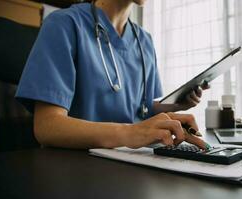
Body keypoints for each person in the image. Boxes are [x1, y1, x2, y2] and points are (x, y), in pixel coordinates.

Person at [15, 0, 209, 150]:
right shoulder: (64, 24)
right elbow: (47, 127)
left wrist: (174, 105)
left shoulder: (144, 41)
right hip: (77, 166)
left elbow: (141, 109)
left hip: (134, 161)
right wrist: (131, 132)